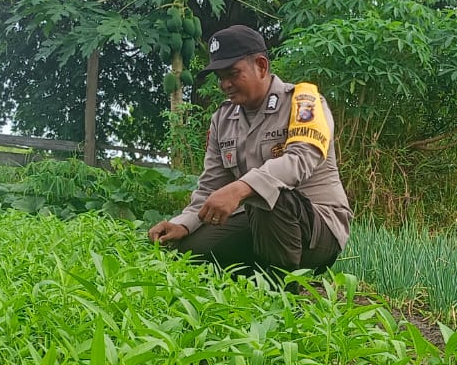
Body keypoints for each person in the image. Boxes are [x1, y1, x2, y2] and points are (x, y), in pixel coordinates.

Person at [147, 25, 351, 273]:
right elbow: (211, 185)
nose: (225, 84)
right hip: (257, 223)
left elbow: (301, 159)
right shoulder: (223, 119)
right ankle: (253, 282)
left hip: (318, 229)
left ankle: (284, 293)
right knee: (191, 247)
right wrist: (183, 224)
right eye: (220, 77)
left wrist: (241, 188)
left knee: (267, 197)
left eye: (233, 74)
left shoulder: (303, 102)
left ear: (262, 66)